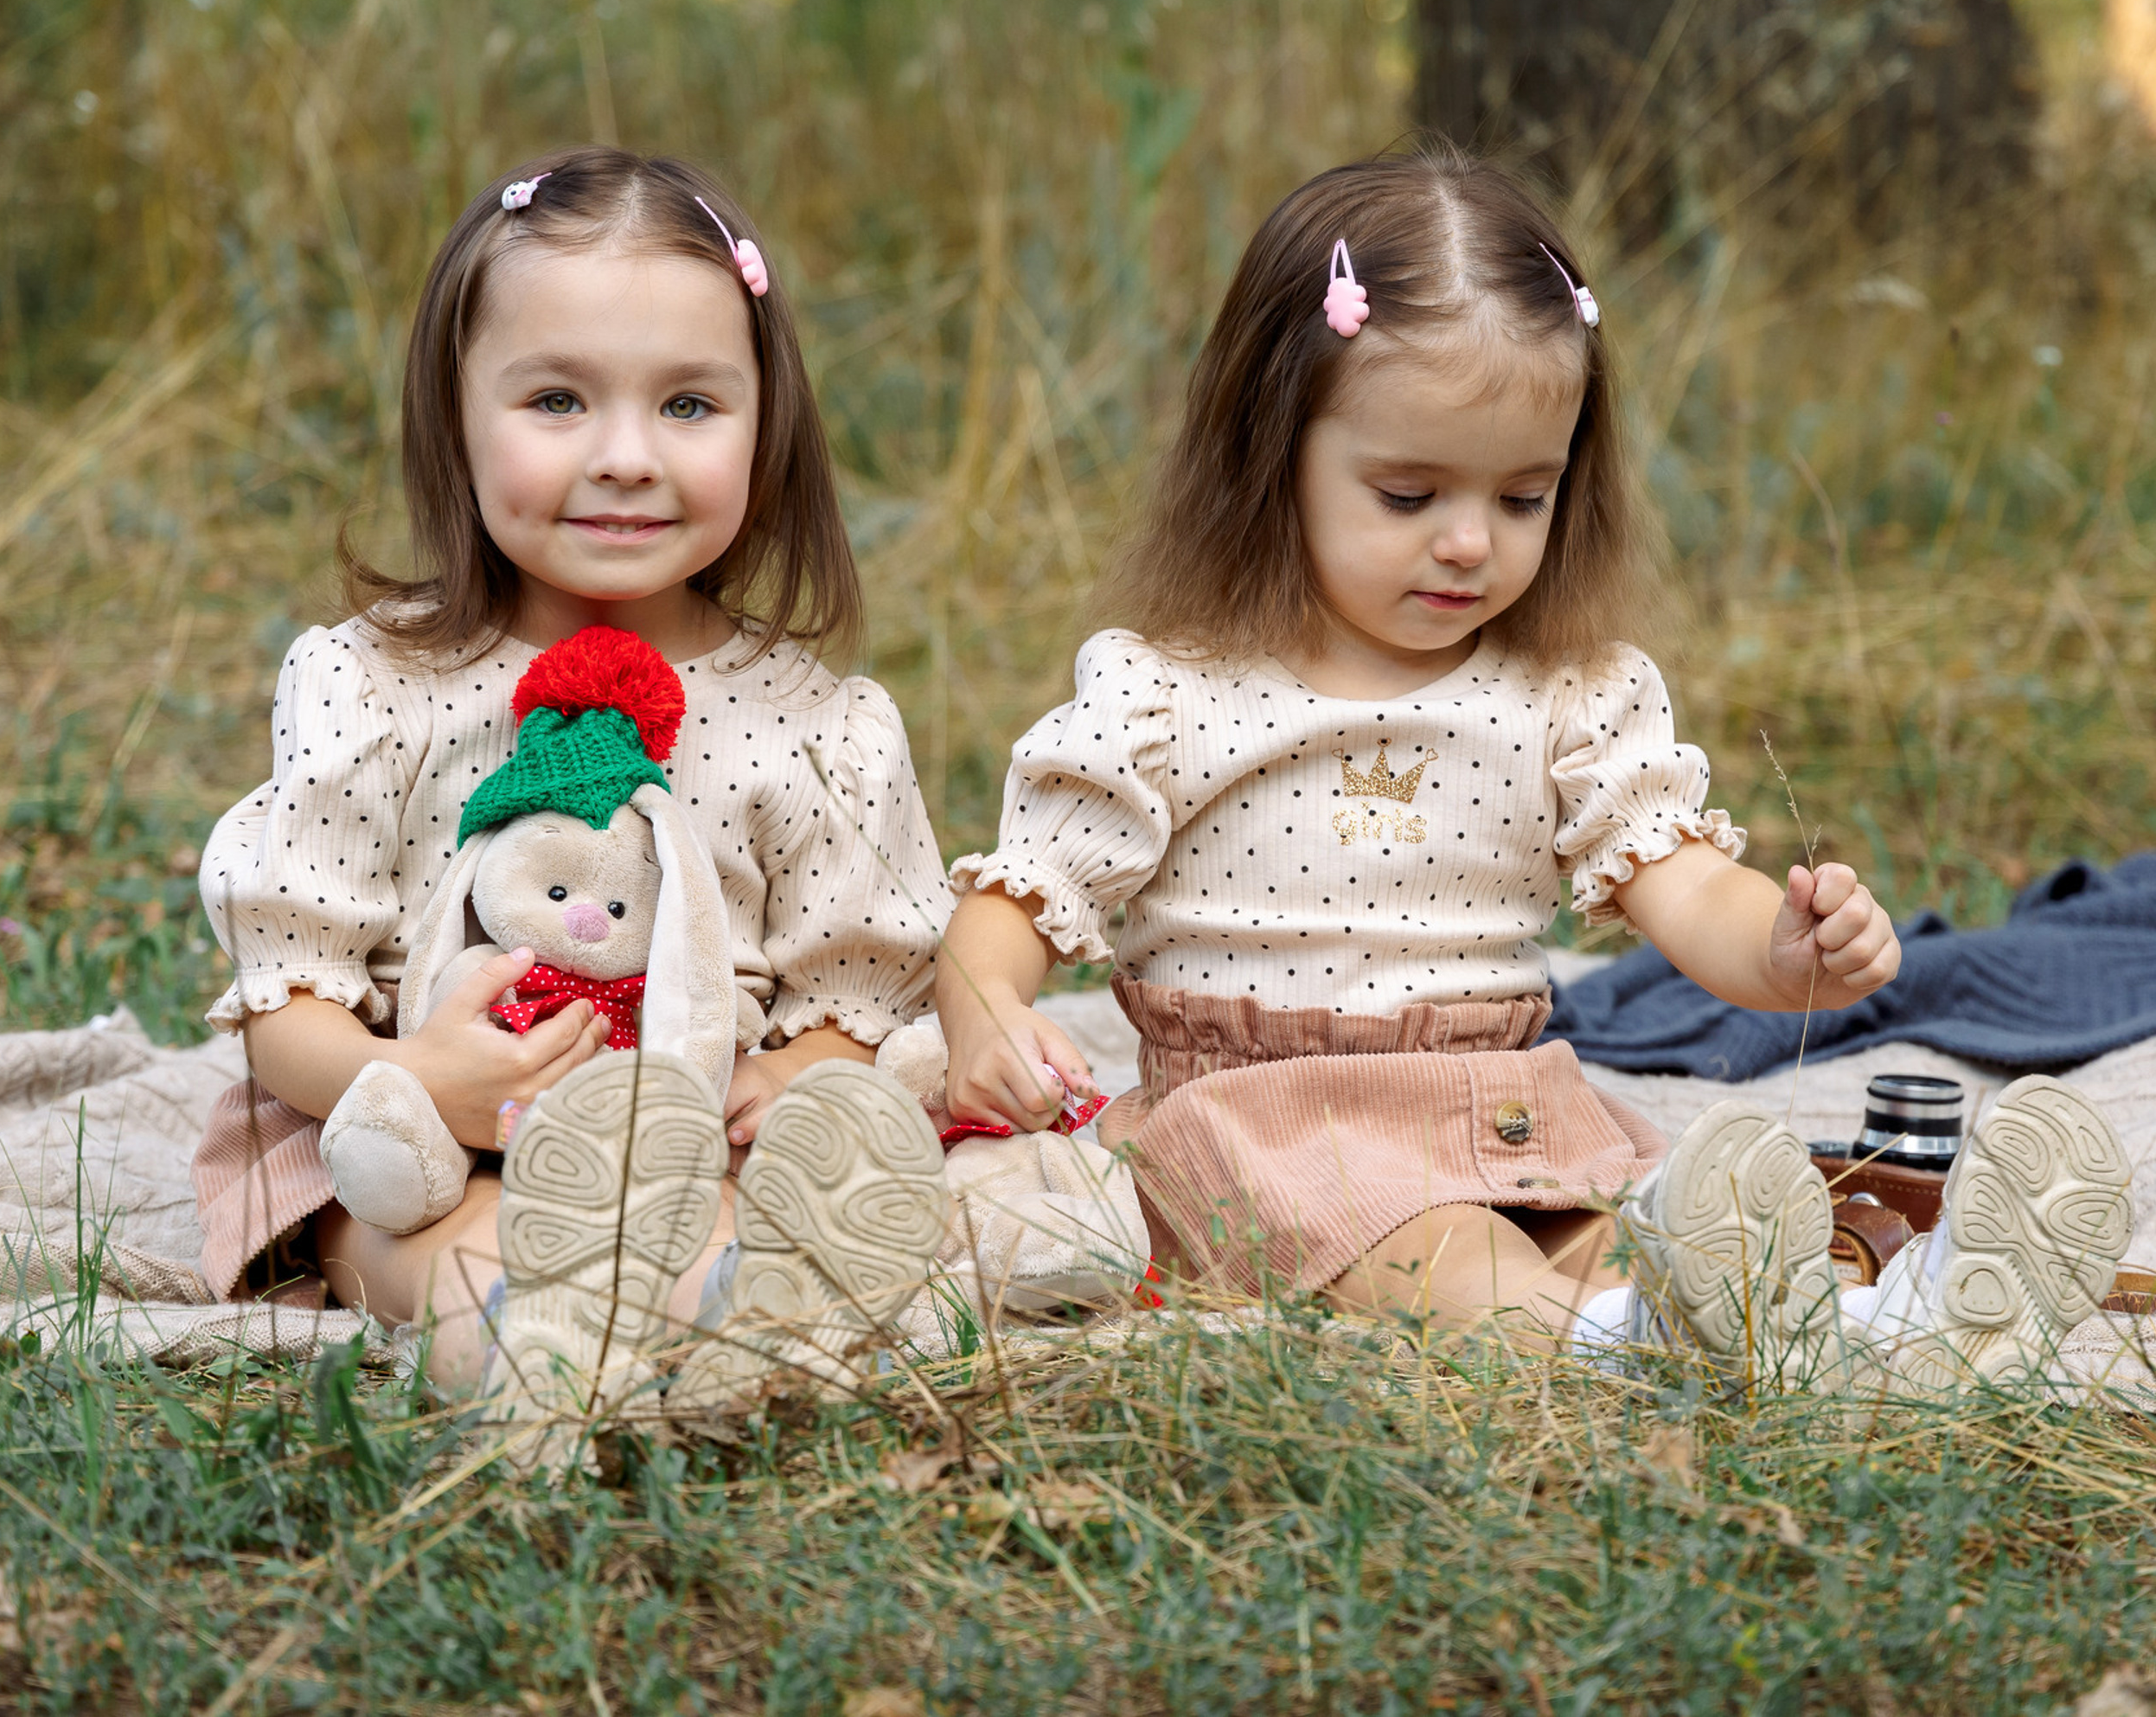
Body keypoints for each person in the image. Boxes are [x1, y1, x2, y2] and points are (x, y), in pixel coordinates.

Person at [933, 147, 2122, 1391]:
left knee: (1643, 1237)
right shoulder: (1169, 697)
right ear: (1268, 457)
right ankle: (1741, 1349)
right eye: (1408, 495)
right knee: (1461, 1267)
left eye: (1523, 498)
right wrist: (986, 1012)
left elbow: (1683, 883)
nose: (1469, 542)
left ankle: (1890, 1315)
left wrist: (1782, 953)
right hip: (1272, 1138)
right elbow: (1020, 897)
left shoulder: (1566, 694)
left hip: (1501, 1113)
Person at [190, 148, 954, 1447]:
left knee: (708, 1227)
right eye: (556, 400)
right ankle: (517, 1348)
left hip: (687, 1140)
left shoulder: (812, 726)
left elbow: (858, 990)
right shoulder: (375, 690)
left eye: (690, 405)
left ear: (766, 425)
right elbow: (287, 996)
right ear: (456, 417)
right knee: (439, 1236)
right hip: (415, 1138)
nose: (626, 458)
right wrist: (414, 1074)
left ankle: (744, 1330)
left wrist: (794, 1073)